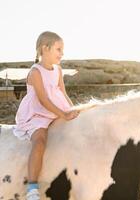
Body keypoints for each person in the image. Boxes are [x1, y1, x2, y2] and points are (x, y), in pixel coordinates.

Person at [13, 31, 79, 200]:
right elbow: (43, 100)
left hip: (57, 109)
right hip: (38, 113)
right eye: (58, 49)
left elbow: (62, 93)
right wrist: (63, 114)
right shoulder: (35, 72)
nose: (62, 54)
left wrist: (72, 110)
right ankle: (32, 188)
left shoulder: (58, 70)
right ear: (45, 48)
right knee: (40, 141)